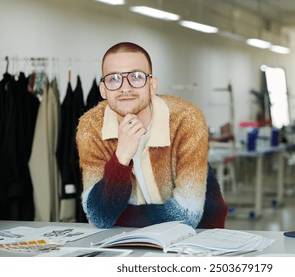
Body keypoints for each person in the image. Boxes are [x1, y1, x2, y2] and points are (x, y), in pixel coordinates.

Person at [76, 42, 228, 229]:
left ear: (152, 85)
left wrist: (117, 217)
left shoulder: (186, 119)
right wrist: (121, 159)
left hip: (199, 237)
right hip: (128, 242)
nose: (125, 88)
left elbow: (187, 214)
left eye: (137, 77)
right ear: (103, 89)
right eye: (114, 79)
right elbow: (97, 217)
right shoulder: (90, 127)